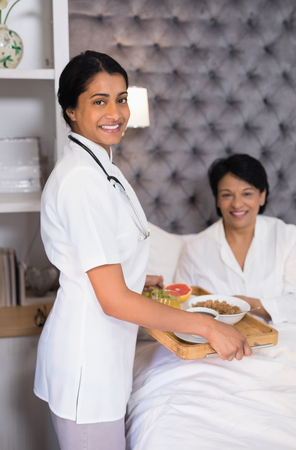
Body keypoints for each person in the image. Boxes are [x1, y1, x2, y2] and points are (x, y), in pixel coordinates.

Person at [33, 51, 251, 450]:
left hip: (101, 356)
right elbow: (113, 300)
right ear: (70, 110)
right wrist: (208, 326)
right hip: (88, 364)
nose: (115, 112)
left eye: (121, 98)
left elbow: (102, 259)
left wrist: (137, 277)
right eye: (99, 101)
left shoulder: (102, 167)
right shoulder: (82, 181)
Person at [175, 154, 296, 324]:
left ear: (262, 195)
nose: (237, 204)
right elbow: (181, 308)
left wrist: (250, 304)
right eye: (227, 195)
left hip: (281, 341)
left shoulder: (288, 237)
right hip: (215, 344)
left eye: (247, 194)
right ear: (217, 199)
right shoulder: (196, 248)